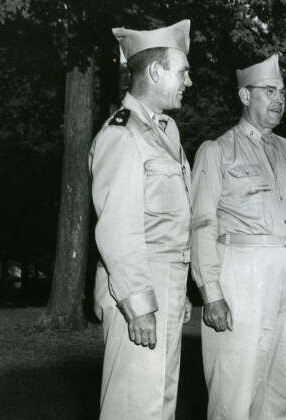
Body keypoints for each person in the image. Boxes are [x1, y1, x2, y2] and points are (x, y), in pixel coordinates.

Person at [190, 53, 286, 420]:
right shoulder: (217, 151)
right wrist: (211, 293)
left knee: (279, 389)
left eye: (283, 92)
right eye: (269, 91)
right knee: (235, 389)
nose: (279, 99)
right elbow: (201, 225)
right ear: (245, 96)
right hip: (241, 275)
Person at [89, 19, 194, 420]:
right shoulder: (121, 134)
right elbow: (118, 230)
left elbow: (170, 221)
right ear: (155, 71)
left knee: (159, 405)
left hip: (163, 284)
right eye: (182, 71)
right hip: (138, 287)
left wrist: (176, 291)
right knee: (133, 406)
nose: (188, 81)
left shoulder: (166, 132)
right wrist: (138, 305)